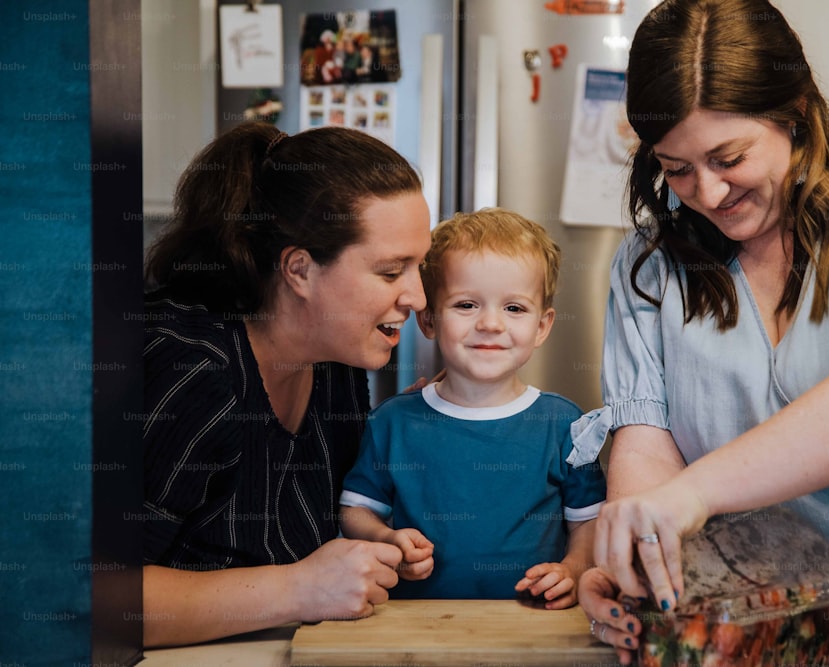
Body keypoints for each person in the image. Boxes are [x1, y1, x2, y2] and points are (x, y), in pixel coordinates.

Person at [571, 0, 829, 660]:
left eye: (728, 156)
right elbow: (645, 440)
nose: (707, 193)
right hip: (759, 640)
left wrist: (694, 491)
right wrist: (639, 562)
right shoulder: (650, 264)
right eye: (677, 168)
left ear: (796, 111)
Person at [141, 121, 432, 647]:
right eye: (391, 272)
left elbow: (330, 534)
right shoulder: (192, 373)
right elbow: (88, 596)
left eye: (420, 266)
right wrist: (298, 588)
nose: (417, 296)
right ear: (299, 269)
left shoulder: (336, 365)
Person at [339, 209, 607, 607]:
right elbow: (355, 513)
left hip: (532, 625)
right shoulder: (393, 422)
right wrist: (387, 539)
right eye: (466, 305)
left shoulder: (563, 423)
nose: (491, 324)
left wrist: (572, 568)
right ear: (429, 319)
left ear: (542, 326)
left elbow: (588, 522)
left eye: (514, 308)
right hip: (416, 628)